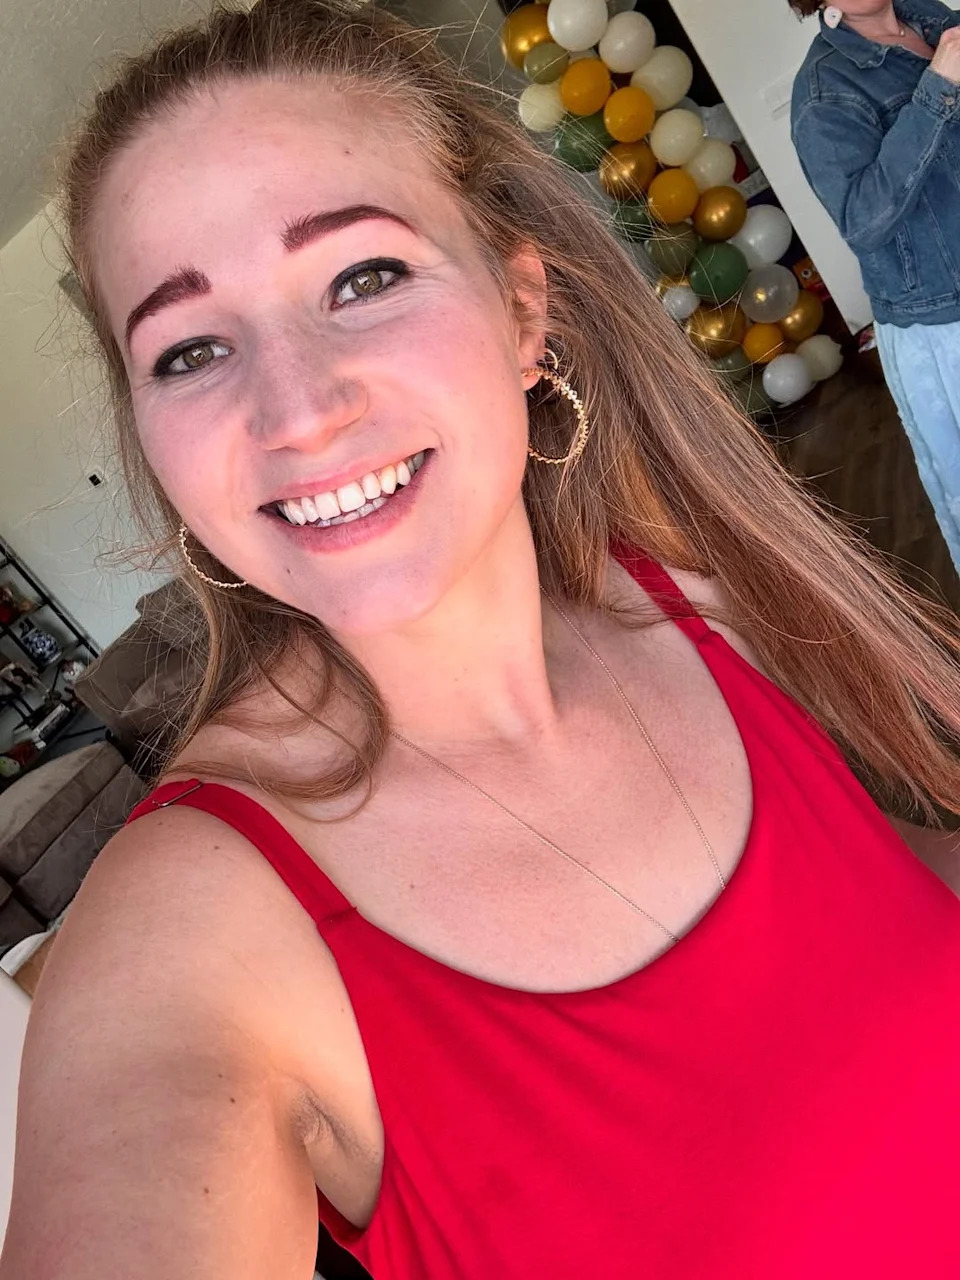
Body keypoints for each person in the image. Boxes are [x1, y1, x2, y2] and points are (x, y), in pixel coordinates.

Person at [4, 2, 960, 1276]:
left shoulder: (695, 592)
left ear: (524, 311)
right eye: (187, 348)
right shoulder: (184, 943)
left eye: (363, 275)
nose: (297, 411)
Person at [790, 0, 960, 574]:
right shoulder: (821, 92)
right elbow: (864, 221)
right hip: (943, 326)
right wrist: (936, 89)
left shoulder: (938, 21)